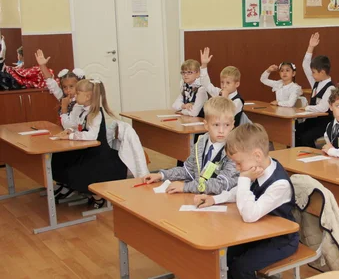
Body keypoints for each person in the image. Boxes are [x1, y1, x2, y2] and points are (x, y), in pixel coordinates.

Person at [193, 123, 299, 279]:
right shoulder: (257, 168)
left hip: (281, 240)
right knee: (224, 258)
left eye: (238, 162)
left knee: (241, 267)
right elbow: (241, 194)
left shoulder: (279, 184)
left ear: (257, 155)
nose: (236, 167)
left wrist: (243, 179)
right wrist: (214, 199)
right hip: (259, 233)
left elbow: (249, 214)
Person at [51, 79, 127, 208]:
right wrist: (69, 130)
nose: (74, 95)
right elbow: (76, 125)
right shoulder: (80, 108)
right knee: (59, 156)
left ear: (88, 96)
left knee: (76, 167)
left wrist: (71, 136)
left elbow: (92, 135)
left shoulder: (95, 113)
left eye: (78, 93)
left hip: (96, 154)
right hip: (85, 149)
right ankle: (68, 185)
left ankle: (97, 196)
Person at [141, 97, 239, 195]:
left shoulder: (234, 151)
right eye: (216, 125)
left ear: (232, 125)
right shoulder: (200, 144)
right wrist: (162, 175)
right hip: (199, 197)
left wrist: (186, 187)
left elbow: (221, 184)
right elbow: (188, 170)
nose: (221, 130)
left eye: (226, 125)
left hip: (222, 202)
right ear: (206, 124)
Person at [295, 32, 335, 147]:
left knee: (305, 137)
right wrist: (311, 47)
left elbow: (323, 108)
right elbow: (305, 64)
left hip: (324, 124)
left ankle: (312, 157)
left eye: (314, 72)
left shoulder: (331, 88)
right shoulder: (316, 82)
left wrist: (306, 108)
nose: (311, 75)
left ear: (322, 72)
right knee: (295, 131)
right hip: (312, 121)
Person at [34, 49, 86, 128]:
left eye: (71, 86)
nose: (68, 90)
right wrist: (42, 65)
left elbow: (72, 126)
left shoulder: (82, 102)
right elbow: (51, 83)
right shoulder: (63, 97)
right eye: (65, 87)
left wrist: (64, 107)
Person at [199, 47, 245, 126]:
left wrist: (225, 98)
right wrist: (204, 65)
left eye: (228, 83)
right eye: (222, 82)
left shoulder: (238, 101)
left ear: (237, 84)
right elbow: (207, 85)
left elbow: (226, 115)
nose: (224, 86)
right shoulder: (219, 92)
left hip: (231, 134)